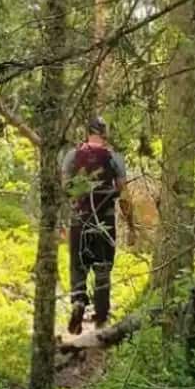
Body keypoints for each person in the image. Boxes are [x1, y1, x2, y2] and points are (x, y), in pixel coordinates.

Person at [62, 116, 135, 335]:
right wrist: (131, 225)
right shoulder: (114, 158)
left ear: (87, 133)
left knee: (78, 265)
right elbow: (123, 191)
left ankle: (78, 302)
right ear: (105, 134)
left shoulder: (72, 156)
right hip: (105, 220)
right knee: (103, 267)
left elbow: (66, 187)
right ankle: (101, 319)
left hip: (79, 219)